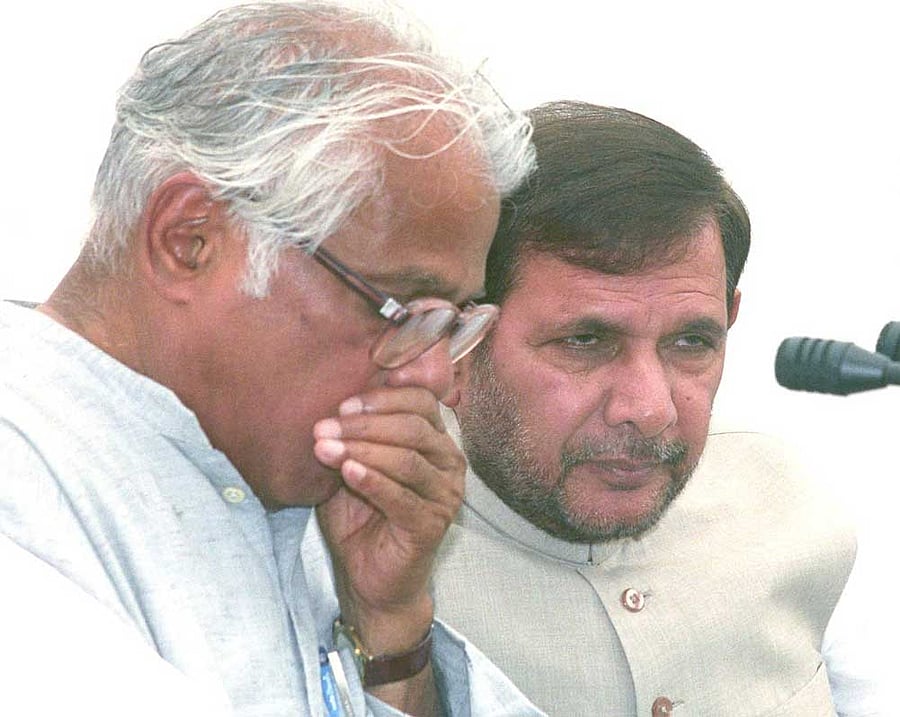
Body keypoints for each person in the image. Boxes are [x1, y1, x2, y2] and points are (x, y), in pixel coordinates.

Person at [0, 3, 542, 715]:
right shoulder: (27, 480)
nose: (437, 378)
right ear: (188, 240)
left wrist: (389, 634)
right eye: (404, 310)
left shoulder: (288, 471)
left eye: (452, 324)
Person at [431, 101, 880, 716]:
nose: (650, 409)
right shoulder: (355, 570)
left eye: (691, 342)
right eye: (585, 342)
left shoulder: (791, 505)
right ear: (456, 341)